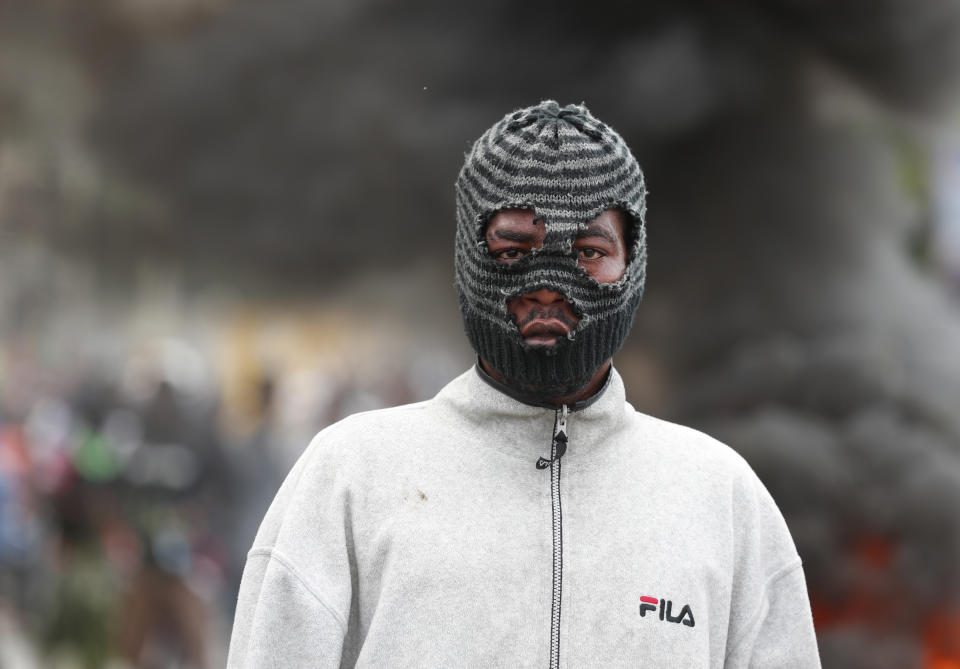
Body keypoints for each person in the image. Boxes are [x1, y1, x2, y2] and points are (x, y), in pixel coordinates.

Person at [227, 100, 821, 668]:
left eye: (588, 251)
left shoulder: (720, 498)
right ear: (467, 256)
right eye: (514, 248)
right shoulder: (352, 477)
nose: (548, 285)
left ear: (633, 264)